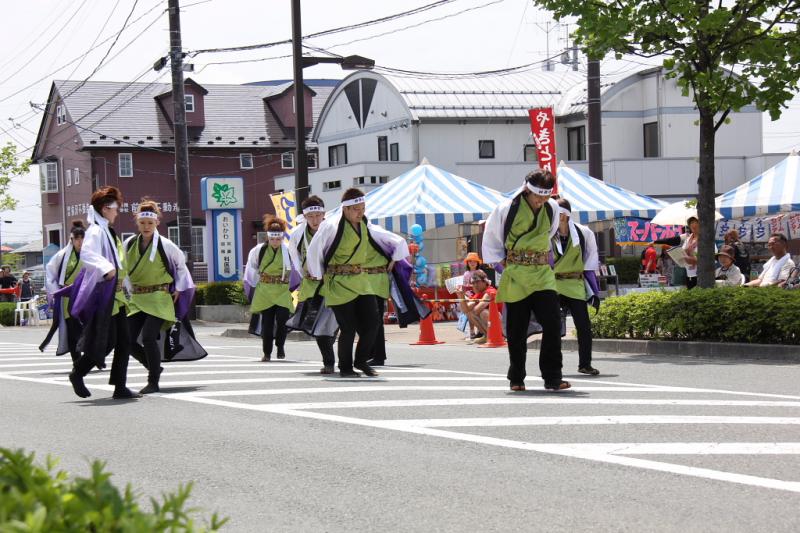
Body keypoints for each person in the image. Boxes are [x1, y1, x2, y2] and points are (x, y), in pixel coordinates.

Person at [482, 169, 570, 392]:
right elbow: (492, 239)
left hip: (542, 273)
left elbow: (549, 234)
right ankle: (516, 377)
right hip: (516, 273)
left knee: (552, 323)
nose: (541, 201)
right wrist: (504, 266)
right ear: (526, 190)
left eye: (545, 196)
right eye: (537, 196)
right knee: (516, 329)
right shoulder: (506, 209)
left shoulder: (552, 208)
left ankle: (552, 376)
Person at [306, 188, 409, 378]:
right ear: (345, 209)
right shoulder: (331, 226)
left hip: (361, 280)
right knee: (348, 327)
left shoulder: (366, 225)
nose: (360, 212)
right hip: (338, 282)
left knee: (373, 322)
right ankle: (345, 367)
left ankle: (361, 360)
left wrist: (394, 258)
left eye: (362, 208)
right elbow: (314, 250)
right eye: (356, 209)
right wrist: (319, 275)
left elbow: (397, 242)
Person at [67, 186, 139, 400]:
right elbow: (87, 255)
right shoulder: (97, 231)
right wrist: (107, 269)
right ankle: (78, 372)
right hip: (105, 295)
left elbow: (119, 261)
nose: (118, 211)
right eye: (115, 207)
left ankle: (119, 386)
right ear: (106, 208)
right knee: (108, 341)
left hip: (115, 295)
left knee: (123, 341)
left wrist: (122, 281)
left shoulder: (106, 230)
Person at [124, 199, 202, 394]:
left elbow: (181, 267)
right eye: (142, 222)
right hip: (137, 298)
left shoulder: (166, 245)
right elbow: (122, 269)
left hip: (159, 297)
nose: (146, 226)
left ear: (157, 222)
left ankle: (153, 381)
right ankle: (154, 366)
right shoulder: (129, 244)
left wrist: (179, 288)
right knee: (128, 341)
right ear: (137, 222)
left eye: (150, 223)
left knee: (149, 337)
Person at [287, 195, 338, 374]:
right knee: (317, 325)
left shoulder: (332, 229)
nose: (315, 220)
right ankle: (329, 352)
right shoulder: (297, 234)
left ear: (324, 214)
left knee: (324, 326)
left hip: (332, 283)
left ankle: (329, 363)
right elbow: (295, 257)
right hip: (311, 284)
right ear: (305, 216)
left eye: (318, 215)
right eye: (311, 216)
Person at [552, 198, 601, 375]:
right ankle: (553, 366)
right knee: (553, 327)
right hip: (553, 283)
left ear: (565, 214)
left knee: (583, 326)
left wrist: (593, 289)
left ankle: (585, 364)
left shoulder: (583, 232)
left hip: (575, 283)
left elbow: (590, 260)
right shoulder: (547, 232)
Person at [245, 216, 295, 362]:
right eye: (272, 239)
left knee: (282, 320)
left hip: (282, 289)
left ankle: (280, 345)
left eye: (278, 239)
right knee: (266, 323)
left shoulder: (287, 251)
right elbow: (251, 268)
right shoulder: (258, 250)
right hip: (265, 290)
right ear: (268, 237)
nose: (275, 242)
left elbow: (295, 269)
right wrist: (253, 286)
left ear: (282, 238)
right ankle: (267, 352)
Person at [40, 221, 88, 365]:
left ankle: (90, 357)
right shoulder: (62, 256)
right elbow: (50, 273)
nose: (79, 242)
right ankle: (77, 361)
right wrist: (56, 292)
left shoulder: (90, 254)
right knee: (73, 333)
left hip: (86, 297)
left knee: (88, 330)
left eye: (82, 238)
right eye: (76, 238)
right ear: (71, 239)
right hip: (69, 298)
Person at [654, 217, 708, 289]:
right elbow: (674, 243)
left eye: (696, 223)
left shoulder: (706, 238)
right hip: (689, 274)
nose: (694, 225)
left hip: (702, 275)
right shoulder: (688, 238)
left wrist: (695, 260)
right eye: (691, 223)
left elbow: (711, 258)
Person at [456, 269, 499, 345]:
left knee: (482, 313)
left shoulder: (490, 291)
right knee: (469, 312)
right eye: (473, 283)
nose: (475, 285)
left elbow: (476, 310)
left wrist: (472, 302)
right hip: (496, 322)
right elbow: (465, 310)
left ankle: (497, 336)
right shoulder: (479, 294)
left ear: (485, 282)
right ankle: (487, 335)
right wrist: (461, 296)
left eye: (477, 282)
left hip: (502, 323)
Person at [460, 252, 483, 340]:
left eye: (474, 261)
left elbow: (484, 284)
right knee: (469, 313)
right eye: (470, 261)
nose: (472, 263)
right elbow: (465, 286)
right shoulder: (466, 274)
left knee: (478, 312)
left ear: (477, 263)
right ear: (467, 263)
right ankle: (472, 331)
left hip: (479, 295)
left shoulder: (480, 272)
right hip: (470, 296)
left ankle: (480, 330)